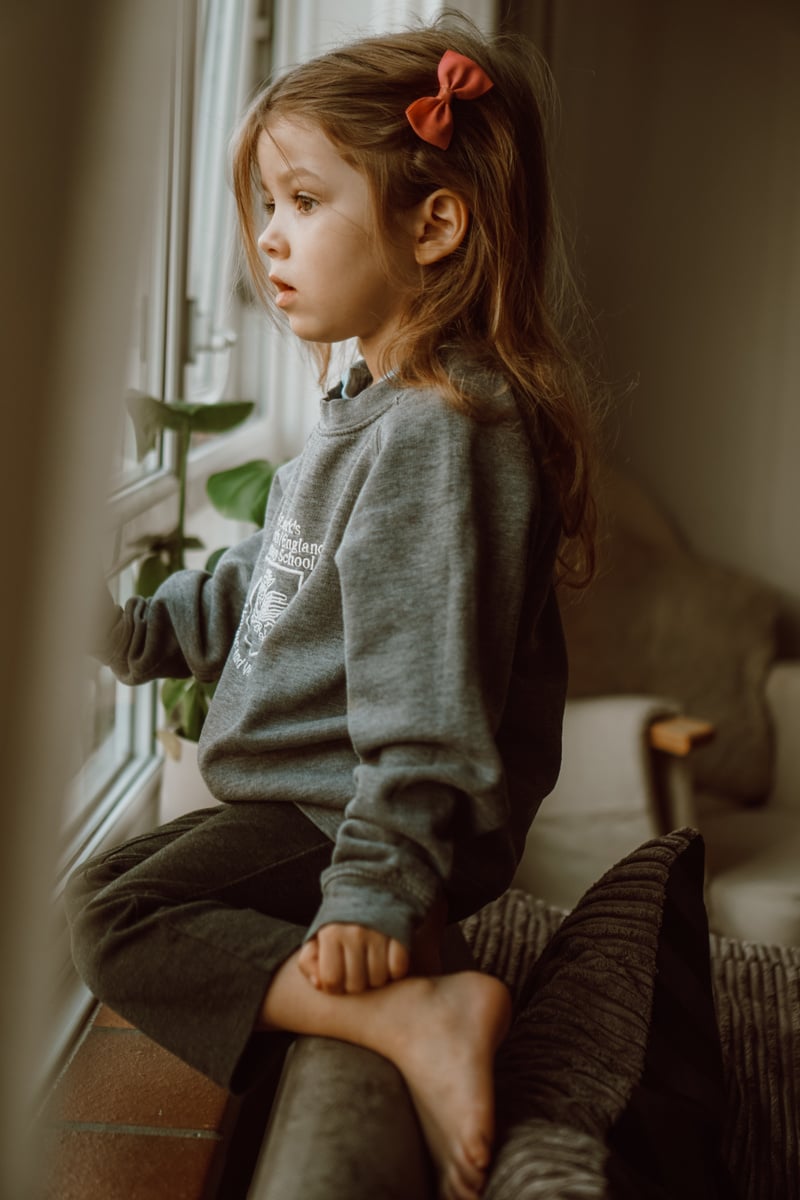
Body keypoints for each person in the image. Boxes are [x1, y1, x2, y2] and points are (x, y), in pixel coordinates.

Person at [67, 15, 598, 1200]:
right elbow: (274, 586)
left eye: (303, 200)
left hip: (344, 820)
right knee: (111, 895)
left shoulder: (438, 432)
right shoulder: (371, 403)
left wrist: (376, 886)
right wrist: (134, 630)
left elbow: (427, 701)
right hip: (320, 807)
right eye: (264, 204)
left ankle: (415, 1017)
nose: (268, 238)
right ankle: (406, 1010)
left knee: (109, 915)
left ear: (434, 221)